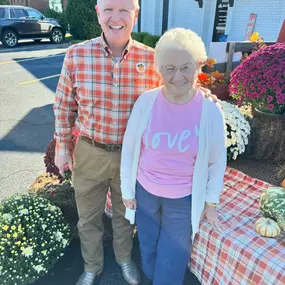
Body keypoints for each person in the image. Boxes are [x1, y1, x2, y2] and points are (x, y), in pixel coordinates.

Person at [53, 0, 163, 284]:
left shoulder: (152, 60)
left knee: (126, 215)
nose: (117, 17)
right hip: (90, 152)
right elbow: (64, 107)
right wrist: (63, 149)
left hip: (132, 157)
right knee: (88, 218)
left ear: (135, 16)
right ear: (98, 14)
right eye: (109, 9)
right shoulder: (76, 55)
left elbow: (170, 103)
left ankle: (124, 259)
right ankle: (92, 266)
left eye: (124, 10)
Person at [121, 28, 227, 285]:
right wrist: (127, 191)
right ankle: (150, 276)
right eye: (169, 68)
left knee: (173, 256)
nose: (178, 76)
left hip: (183, 198)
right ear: (159, 68)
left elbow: (216, 160)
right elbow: (130, 148)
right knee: (148, 245)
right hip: (145, 192)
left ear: (198, 66)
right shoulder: (146, 102)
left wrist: (211, 203)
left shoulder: (210, 111)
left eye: (185, 67)